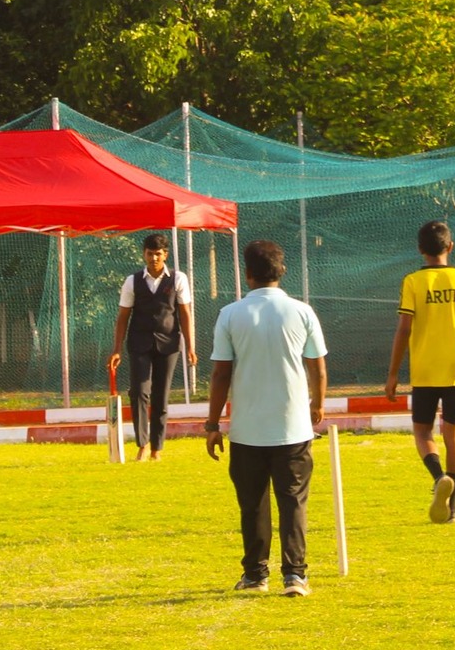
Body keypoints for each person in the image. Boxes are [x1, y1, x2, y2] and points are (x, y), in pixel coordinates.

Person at [204, 240, 328, 597]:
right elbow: (317, 365)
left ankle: (256, 575)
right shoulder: (302, 311)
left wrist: (212, 425)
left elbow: (220, 374)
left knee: (252, 503)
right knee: (293, 501)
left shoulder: (230, 314)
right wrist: (318, 404)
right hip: (293, 425)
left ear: (247, 273)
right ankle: (295, 575)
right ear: (282, 270)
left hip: (247, 429)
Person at [384, 220, 455, 525]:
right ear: (450, 247)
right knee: (454, 436)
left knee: (422, 432)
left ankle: (439, 475)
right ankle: (452, 509)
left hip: (425, 370)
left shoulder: (413, 282)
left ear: (420, 250)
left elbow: (404, 330)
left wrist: (392, 374)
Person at [108, 233, 196, 460]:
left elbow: (185, 314)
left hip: (169, 343)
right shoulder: (132, 281)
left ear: (165, 254)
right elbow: (122, 316)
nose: (154, 258)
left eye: (158, 254)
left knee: (161, 395)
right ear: (144, 254)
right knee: (139, 392)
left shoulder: (178, 279)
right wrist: (117, 348)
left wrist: (190, 346)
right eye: (150, 254)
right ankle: (142, 444)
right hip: (139, 343)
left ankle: (157, 448)